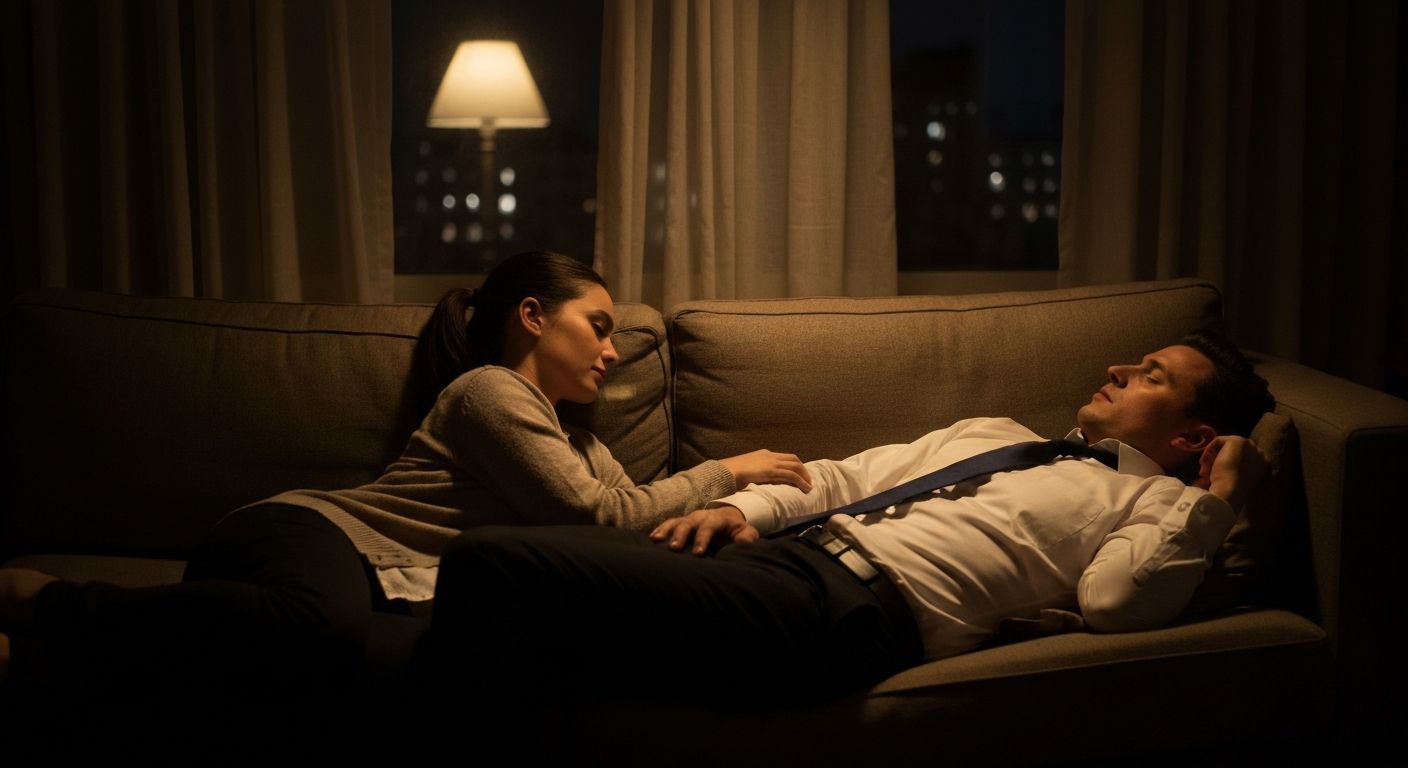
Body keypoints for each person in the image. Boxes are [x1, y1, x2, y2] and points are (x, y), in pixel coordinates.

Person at [0, 252, 811, 692]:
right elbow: (600, 518)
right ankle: (46, 602)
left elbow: (627, 509)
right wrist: (727, 470)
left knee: (390, 668)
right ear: (532, 317)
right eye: (597, 327)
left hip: (380, 581)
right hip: (305, 531)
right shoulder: (489, 391)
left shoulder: (585, 446)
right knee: (324, 629)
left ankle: (62, 669)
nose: (611, 349)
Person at [431, 329, 1276, 713]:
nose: (1118, 368)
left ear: (1193, 436)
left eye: (1150, 375)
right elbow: (841, 477)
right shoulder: (997, 434)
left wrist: (1215, 499)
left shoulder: (1147, 506)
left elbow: (1119, 604)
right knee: (523, 597)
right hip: (775, 559)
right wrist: (734, 505)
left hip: (849, 613)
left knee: (490, 566)